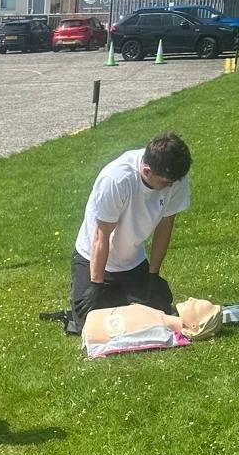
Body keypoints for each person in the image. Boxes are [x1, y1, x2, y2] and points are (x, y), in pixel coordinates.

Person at [65, 132, 192, 336]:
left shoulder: (176, 178)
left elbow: (165, 227)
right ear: (146, 170)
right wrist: (96, 285)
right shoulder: (116, 180)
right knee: (89, 326)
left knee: (160, 312)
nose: (171, 186)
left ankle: (118, 299)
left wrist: (153, 274)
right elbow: (101, 236)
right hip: (93, 258)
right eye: (166, 182)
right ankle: (108, 297)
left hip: (132, 260)